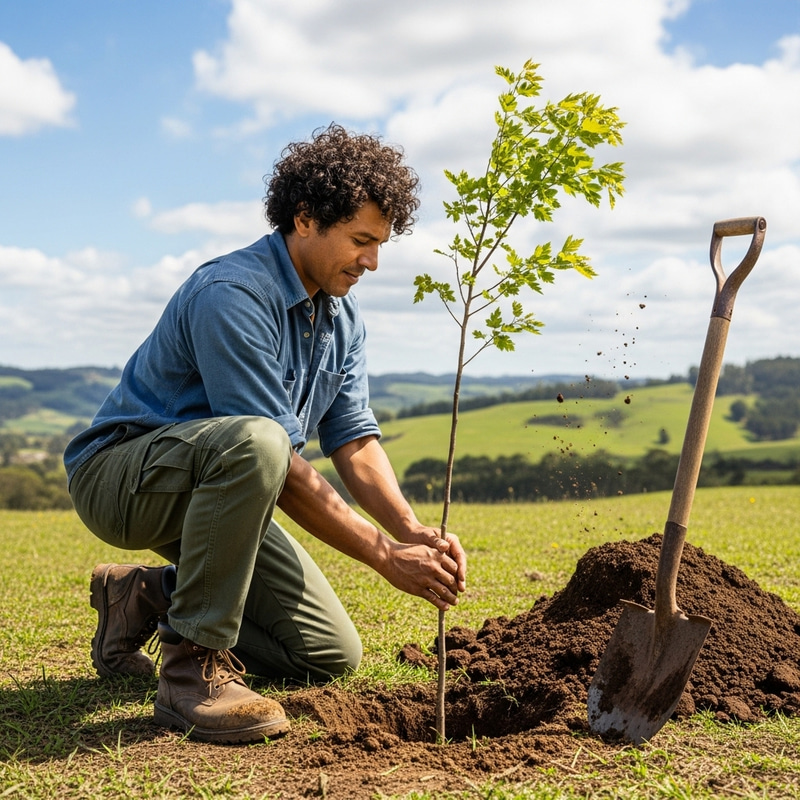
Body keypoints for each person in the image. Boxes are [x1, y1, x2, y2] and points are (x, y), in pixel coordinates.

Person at [64, 124, 467, 745]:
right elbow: (273, 461)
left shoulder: (341, 316)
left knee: (328, 655)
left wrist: (409, 531)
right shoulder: (232, 294)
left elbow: (354, 439)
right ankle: (189, 673)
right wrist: (384, 558)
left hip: (221, 490)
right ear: (304, 218)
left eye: (380, 244)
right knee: (261, 442)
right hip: (123, 481)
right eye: (361, 241)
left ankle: (143, 596)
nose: (372, 262)